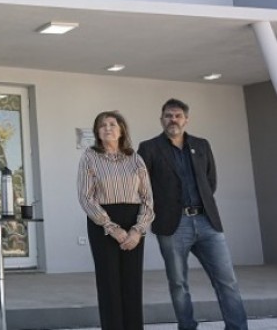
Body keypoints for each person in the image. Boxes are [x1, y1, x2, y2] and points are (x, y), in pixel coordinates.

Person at [138, 99, 248, 330]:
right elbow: (142, 186)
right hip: (173, 225)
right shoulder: (149, 148)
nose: (173, 120)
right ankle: (187, 327)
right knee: (178, 283)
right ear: (161, 119)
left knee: (227, 281)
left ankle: (237, 327)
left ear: (186, 119)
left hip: (207, 222)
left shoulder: (202, 145)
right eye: (168, 115)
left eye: (178, 115)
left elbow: (210, 181)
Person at [77, 110, 154, 330]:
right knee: (109, 284)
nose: (107, 128)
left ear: (121, 130)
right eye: (102, 125)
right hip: (103, 223)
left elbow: (147, 198)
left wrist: (138, 230)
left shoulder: (135, 158)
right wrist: (111, 227)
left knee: (132, 282)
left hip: (134, 223)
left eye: (112, 124)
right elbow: (85, 197)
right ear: (97, 132)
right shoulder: (89, 157)